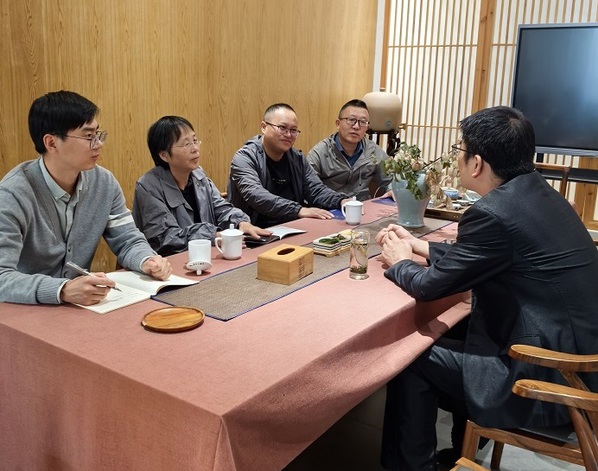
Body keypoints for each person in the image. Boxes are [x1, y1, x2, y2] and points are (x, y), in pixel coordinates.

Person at [375, 106, 598, 471]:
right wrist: (422, 246)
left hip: (549, 376)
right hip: (579, 359)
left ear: (476, 163)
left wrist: (400, 261)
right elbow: (495, 253)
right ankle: (460, 453)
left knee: (410, 357)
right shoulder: (539, 193)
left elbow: (429, 288)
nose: (457, 157)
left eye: (458, 149)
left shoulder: (493, 212)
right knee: (456, 327)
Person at [0, 90, 171, 306]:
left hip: (81, 308)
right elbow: (2, 277)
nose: (99, 144)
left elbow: (128, 239)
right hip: (23, 311)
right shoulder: (12, 194)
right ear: (51, 143)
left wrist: (147, 260)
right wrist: (62, 290)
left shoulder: (104, 183)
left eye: (98, 134)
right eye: (89, 136)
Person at [132, 116, 271, 256]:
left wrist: (240, 223)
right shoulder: (148, 187)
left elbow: (221, 208)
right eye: (186, 144)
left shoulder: (198, 175)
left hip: (206, 257)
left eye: (194, 141)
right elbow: (165, 237)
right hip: (168, 262)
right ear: (164, 155)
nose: (195, 149)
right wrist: (213, 235)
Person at [227, 103, 350, 228]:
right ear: (264, 127)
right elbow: (256, 195)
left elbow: (316, 190)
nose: (288, 134)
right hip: (254, 231)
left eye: (293, 130)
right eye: (282, 128)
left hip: (293, 227)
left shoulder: (297, 158)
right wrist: (298, 210)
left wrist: (341, 201)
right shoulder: (244, 158)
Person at [307, 99, 392, 200]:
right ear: (338, 124)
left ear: (367, 128)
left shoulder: (373, 150)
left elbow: (390, 179)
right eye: (351, 120)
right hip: (330, 206)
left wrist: (392, 190)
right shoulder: (320, 152)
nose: (356, 126)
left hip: (362, 206)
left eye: (362, 122)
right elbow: (309, 186)